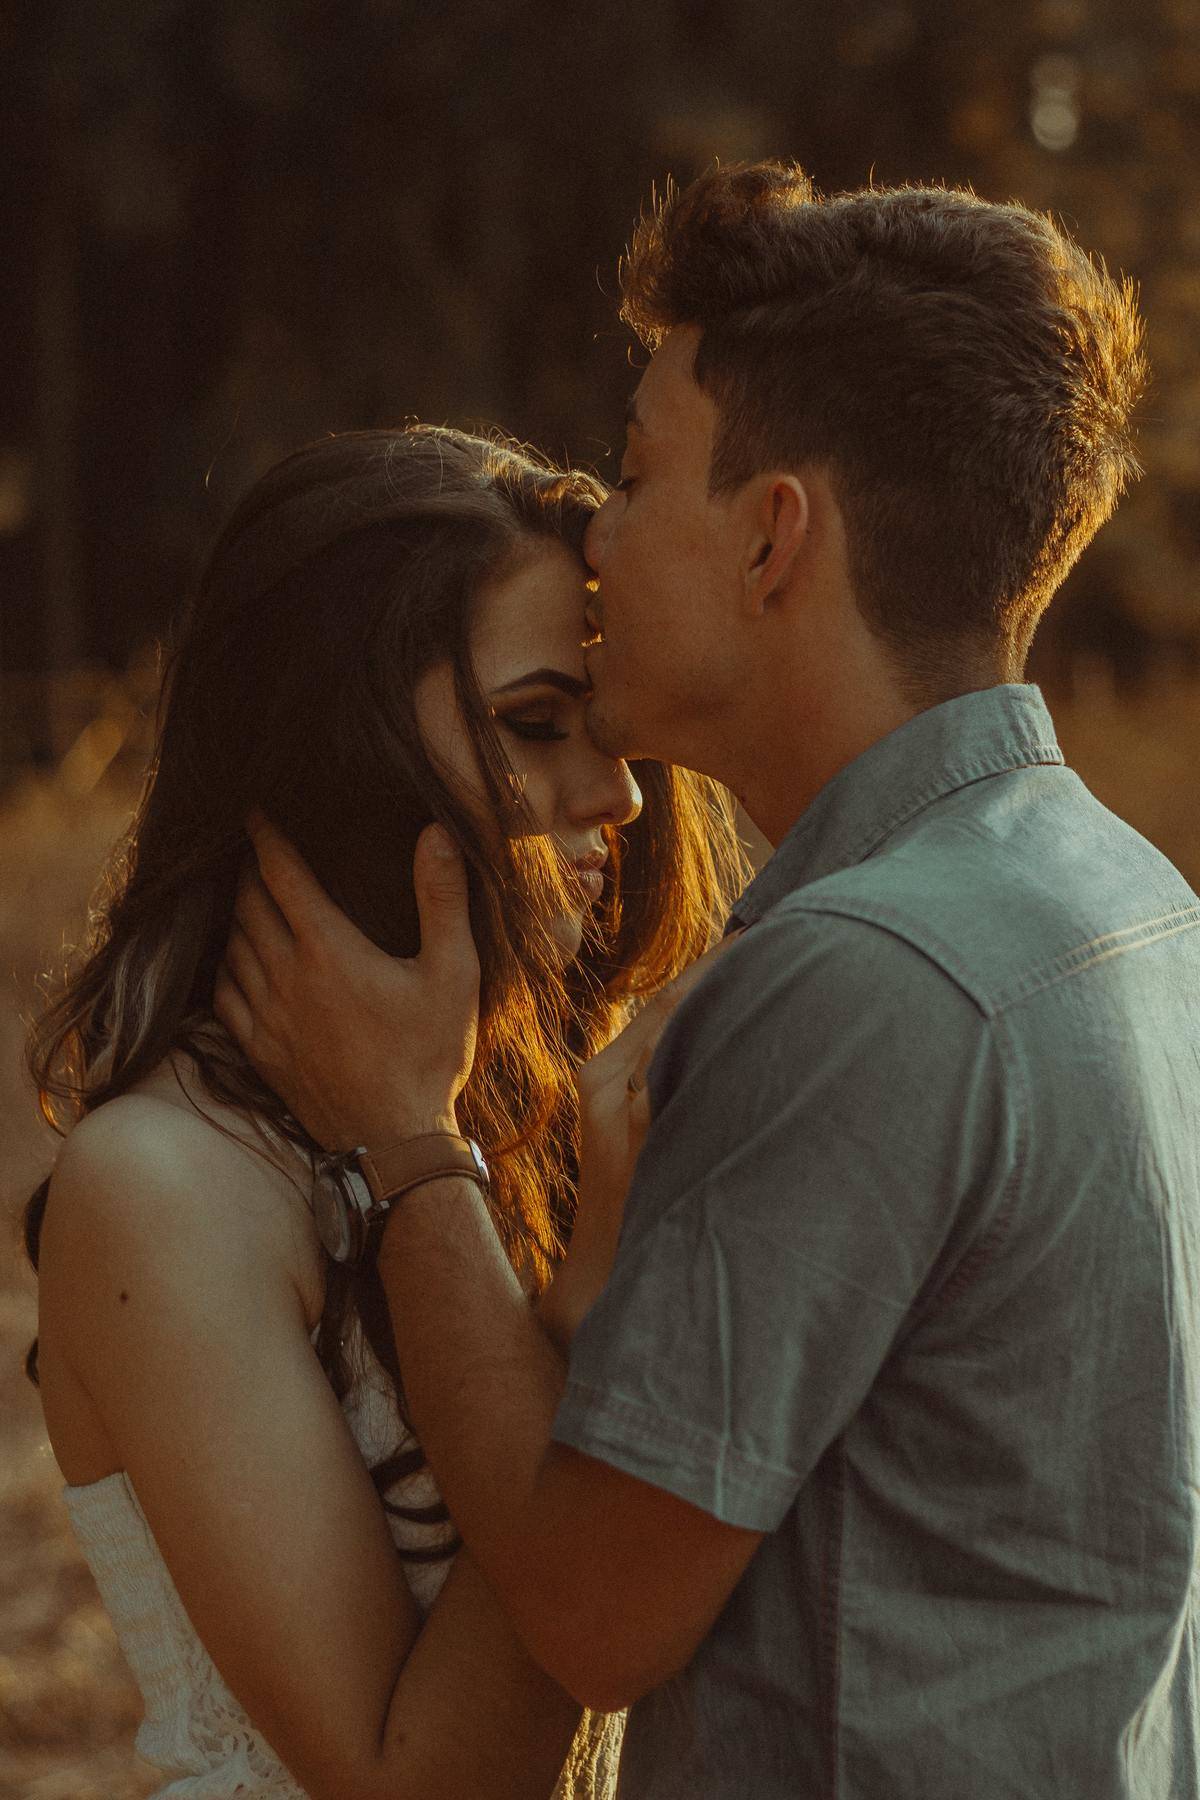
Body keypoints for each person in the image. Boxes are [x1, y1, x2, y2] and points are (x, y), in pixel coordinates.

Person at [218, 162, 1200, 1800]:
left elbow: (597, 1615)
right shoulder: (1132, 900)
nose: (595, 529)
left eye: (637, 472)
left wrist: (406, 1146)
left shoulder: (863, 976)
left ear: (772, 537)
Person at [25, 424, 746, 1800]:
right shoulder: (162, 1188)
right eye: (538, 726)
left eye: (611, 725)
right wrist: (568, 1288)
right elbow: (418, 1785)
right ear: (334, 749)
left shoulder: (531, 1106)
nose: (622, 794)